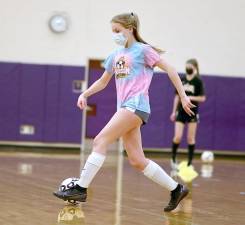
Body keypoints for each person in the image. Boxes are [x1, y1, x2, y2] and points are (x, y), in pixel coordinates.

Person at [54, 12, 195, 212]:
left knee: (99, 140)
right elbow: (103, 81)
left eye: (118, 30)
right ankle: (176, 189)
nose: (115, 35)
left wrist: (182, 96)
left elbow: (171, 70)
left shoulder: (143, 50)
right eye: (113, 31)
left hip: (136, 105)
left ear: (130, 29)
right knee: (137, 160)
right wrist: (85, 94)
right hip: (126, 108)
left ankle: (80, 188)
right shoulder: (115, 54)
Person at [170, 59, 206, 170]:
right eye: (187, 66)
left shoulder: (198, 81)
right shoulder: (182, 79)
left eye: (190, 66)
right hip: (181, 111)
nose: (188, 68)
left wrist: (190, 97)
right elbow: (177, 96)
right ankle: (173, 159)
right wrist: (173, 111)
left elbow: (203, 98)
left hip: (192, 112)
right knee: (177, 137)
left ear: (195, 67)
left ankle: (190, 163)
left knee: (190, 138)